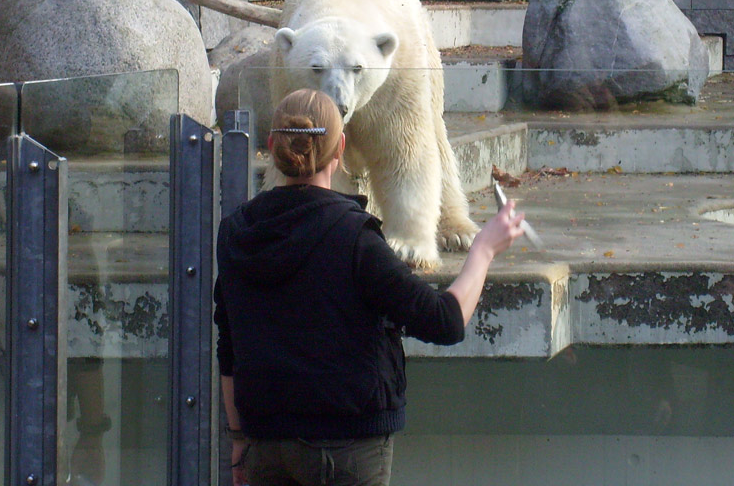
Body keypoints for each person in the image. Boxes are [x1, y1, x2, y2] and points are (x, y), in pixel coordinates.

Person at [214, 88, 525, 486]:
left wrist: (239, 439)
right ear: (340, 148)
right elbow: (444, 321)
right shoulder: (353, 236)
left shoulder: (237, 231)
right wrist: (483, 249)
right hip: (348, 449)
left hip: (265, 446)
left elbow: (229, 347)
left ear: (272, 145)